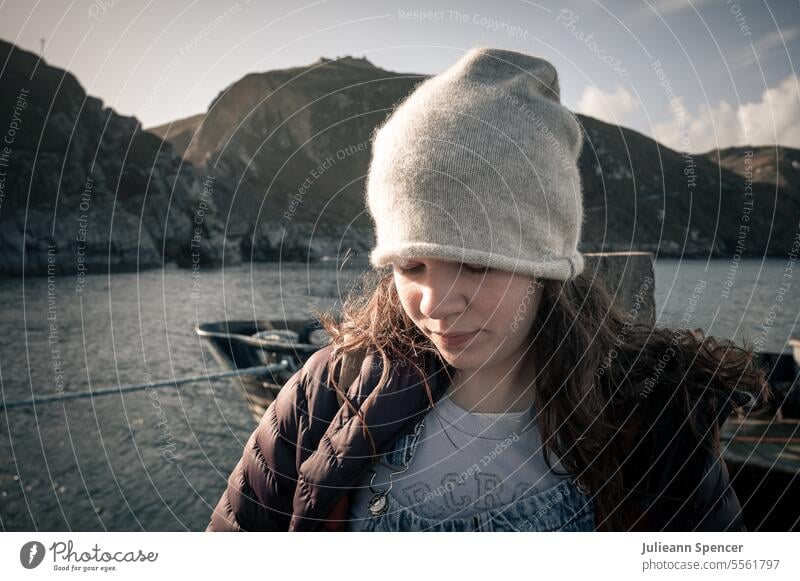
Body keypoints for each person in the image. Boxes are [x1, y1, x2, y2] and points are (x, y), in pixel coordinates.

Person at [205, 47, 769, 532]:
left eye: (476, 266)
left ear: (543, 264)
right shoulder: (328, 392)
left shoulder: (652, 416)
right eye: (412, 265)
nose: (433, 303)